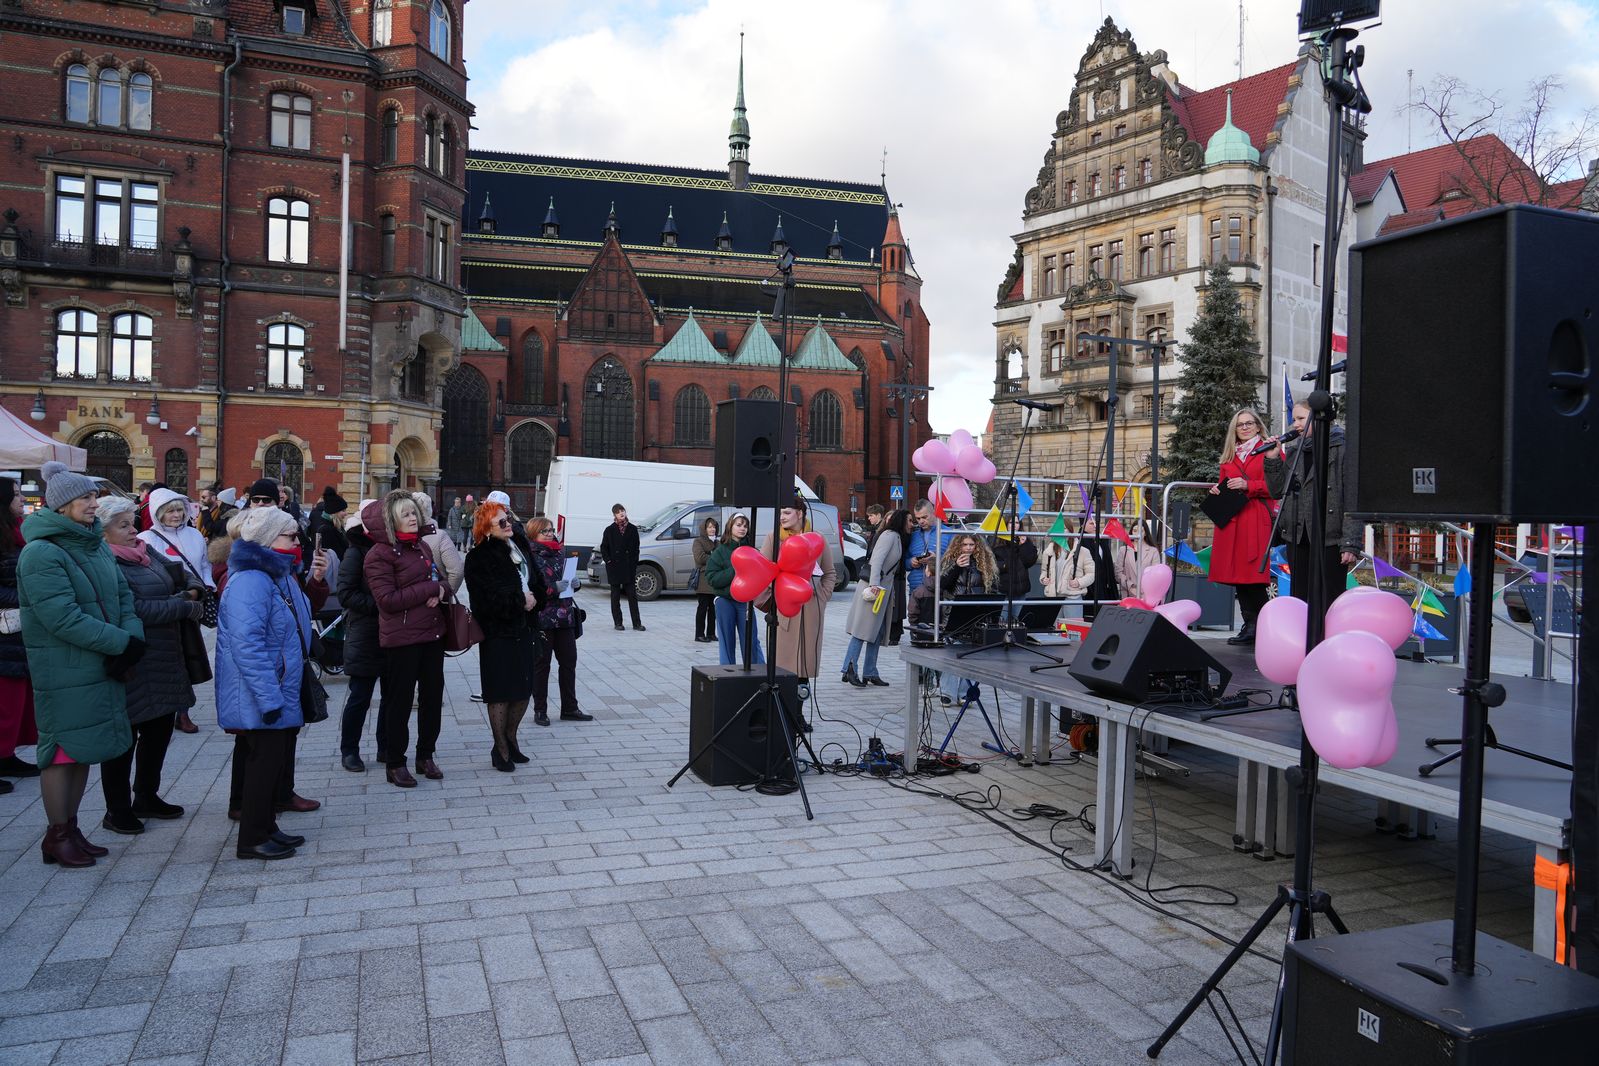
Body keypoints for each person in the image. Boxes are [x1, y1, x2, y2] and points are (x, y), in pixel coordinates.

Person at [17, 461, 144, 867]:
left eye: (93, 496)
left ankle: (71, 829)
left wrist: (131, 638)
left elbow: (123, 598)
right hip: (65, 668)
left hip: (101, 663)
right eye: (85, 498)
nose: (93, 503)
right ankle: (57, 834)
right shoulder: (41, 553)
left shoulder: (94, 545)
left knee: (85, 747)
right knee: (62, 751)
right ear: (61, 505)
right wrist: (121, 642)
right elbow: (62, 618)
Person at [98, 496, 204, 834]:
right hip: (133, 659)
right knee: (124, 739)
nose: (133, 530)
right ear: (103, 532)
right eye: (123, 526)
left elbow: (186, 576)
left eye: (133, 523)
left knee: (159, 731)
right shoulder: (105, 562)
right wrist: (184, 605)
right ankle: (117, 810)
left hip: (165, 657)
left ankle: (146, 795)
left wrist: (188, 593)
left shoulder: (145, 551)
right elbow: (137, 609)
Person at [215, 506, 314, 860]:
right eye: (290, 536)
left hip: (280, 684)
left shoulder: (278, 573)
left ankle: (268, 826)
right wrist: (269, 697)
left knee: (274, 763)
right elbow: (247, 645)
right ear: (268, 539)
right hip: (262, 690)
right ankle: (252, 837)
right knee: (262, 763)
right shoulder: (251, 580)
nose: (297, 541)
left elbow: (298, 620)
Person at [362, 492, 450, 787]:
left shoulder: (422, 545)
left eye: (414, 513)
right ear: (391, 520)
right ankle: (395, 762)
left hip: (432, 633)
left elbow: (440, 580)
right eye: (405, 514)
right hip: (402, 639)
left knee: (432, 698)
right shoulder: (379, 554)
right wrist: (430, 590)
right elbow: (387, 600)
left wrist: (442, 589)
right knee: (399, 702)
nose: (413, 518)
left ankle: (426, 755)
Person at [464, 502, 547, 770]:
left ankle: (511, 739)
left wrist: (537, 597)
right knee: (501, 691)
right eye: (501, 521)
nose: (508, 523)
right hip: (498, 633)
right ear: (487, 528)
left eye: (508, 518)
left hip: (526, 628)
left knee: (524, 689)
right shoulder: (478, 557)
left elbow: (536, 579)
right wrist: (519, 602)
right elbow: (484, 602)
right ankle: (500, 749)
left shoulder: (519, 546)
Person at [1262, 402, 1362, 605]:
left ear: (1319, 418)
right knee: (1300, 598)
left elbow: (1353, 499)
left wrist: (1350, 543)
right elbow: (1278, 491)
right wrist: (1272, 459)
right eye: (1294, 419)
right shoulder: (1295, 451)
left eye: (1301, 418)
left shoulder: (1343, 449)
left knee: (1329, 598)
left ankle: (1326, 626)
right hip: (1298, 536)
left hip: (1330, 538)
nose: (1295, 424)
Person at [139, 486, 214, 734]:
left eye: (179, 510)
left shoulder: (194, 535)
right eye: (170, 511)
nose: (176, 515)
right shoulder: (147, 539)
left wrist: (207, 585)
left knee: (189, 655)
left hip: (193, 602)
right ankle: (174, 711)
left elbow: (203, 565)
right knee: (174, 657)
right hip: (166, 606)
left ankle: (183, 710)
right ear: (158, 513)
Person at [1207, 407, 1275, 645]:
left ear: (1258, 426)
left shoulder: (1269, 450)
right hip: (1233, 521)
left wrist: (1249, 486)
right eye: (1240, 424)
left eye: (1249, 423)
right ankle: (1251, 625)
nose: (1245, 427)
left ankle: (1265, 626)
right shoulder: (1229, 456)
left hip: (1255, 519)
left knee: (1253, 576)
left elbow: (1277, 486)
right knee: (1239, 577)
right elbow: (1224, 484)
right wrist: (1217, 490)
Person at [761, 497, 838, 683]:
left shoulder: (817, 539)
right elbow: (763, 571)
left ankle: (801, 700)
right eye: (780, 513)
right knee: (783, 668)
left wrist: (822, 597)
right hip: (784, 610)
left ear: (800, 513)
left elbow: (830, 573)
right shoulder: (774, 537)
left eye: (787, 512)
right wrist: (777, 594)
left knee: (804, 666)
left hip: (811, 609)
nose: (782, 517)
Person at [526, 516, 590, 724]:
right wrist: (554, 588)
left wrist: (575, 584)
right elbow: (531, 588)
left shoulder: (560, 553)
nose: (549, 534)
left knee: (569, 662)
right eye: (544, 531)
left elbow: (568, 583)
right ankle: (540, 710)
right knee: (541, 666)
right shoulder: (529, 556)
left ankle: (570, 708)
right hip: (542, 619)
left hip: (565, 617)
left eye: (551, 530)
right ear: (533, 533)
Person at [336, 501, 383, 773]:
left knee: (391, 695)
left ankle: (386, 746)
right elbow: (345, 593)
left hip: (393, 632)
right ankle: (350, 750)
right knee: (360, 696)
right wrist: (381, 605)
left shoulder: (392, 546)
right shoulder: (356, 551)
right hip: (364, 632)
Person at [0, 477, 39, 788]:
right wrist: (28, 597)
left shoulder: (16, 531)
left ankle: (6, 755)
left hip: (17, 633)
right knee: (4, 701)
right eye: (15, 495)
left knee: (14, 701)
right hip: (5, 629)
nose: (22, 499)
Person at [841, 508, 907, 686]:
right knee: (862, 629)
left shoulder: (896, 537)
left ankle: (870, 671)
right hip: (874, 589)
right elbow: (876, 560)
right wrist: (874, 586)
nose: (911, 524)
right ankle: (849, 667)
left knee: (877, 631)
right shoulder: (889, 536)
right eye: (909, 520)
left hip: (882, 589)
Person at [937, 532, 998, 703]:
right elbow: (942, 584)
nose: (968, 548)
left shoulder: (985, 563)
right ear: (958, 545)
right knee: (951, 652)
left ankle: (964, 692)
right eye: (965, 544)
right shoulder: (949, 561)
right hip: (954, 611)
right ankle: (947, 693)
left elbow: (992, 589)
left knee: (970, 654)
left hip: (976, 613)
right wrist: (956, 567)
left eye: (971, 545)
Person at [705, 512, 764, 666]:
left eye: (745, 526)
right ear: (730, 526)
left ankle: (757, 671)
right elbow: (711, 578)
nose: (742, 528)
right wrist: (734, 570)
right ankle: (727, 671)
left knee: (751, 639)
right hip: (725, 600)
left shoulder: (751, 550)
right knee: (726, 640)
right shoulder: (720, 551)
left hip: (745, 602)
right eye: (738, 525)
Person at [1040, 521, 1097, 619]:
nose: (1062, 531)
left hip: (1072, 597)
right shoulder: (1048, 551)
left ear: (1070, 531)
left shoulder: (1083, 551)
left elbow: (1092, 573)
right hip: (1053, 597)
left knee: (1072, 627)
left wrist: (1079, 582)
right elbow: (1044, 571)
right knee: (1053, 627)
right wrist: (1043, 579)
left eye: (1064, 528)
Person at [600, 503, 643, 631]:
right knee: (615, 596)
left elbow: (636, 548)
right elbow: (604, 547)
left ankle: (637, 623)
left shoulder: (632, 529)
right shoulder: (609, 530)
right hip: (614, 567)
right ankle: (618, 622)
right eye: (618, 512)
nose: (621, 513)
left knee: (632, 596)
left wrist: (634, 563)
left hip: (628, 567)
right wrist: (608, 561)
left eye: (622, 510)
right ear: (615, 515)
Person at [413, 492, 464, 594]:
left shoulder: (397, 537)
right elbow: (457, 571)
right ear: (430, 510)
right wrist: (445, 593)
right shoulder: (440, 536)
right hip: (436, 595)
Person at [1112, 520, 1165, 602]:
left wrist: (1143, 591)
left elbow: (1155, 575)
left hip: (1147, 595)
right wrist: (1131, 587)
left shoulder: (1153, 551)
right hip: (1128, 594)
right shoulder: (1123, 550)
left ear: (1146, 533)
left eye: (1141, 531)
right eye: (1135, 530)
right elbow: (1118, 573)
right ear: (1131, 532)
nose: (1137, 534)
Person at [691, 515, 719, 644]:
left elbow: (722, 557)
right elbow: (700, 558)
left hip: (715, 579)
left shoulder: (718, 542)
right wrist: (714, 557)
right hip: (703, 579)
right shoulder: (698, 541)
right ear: (704, 529)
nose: (712, 529)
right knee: (703, 607)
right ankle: (699, 634)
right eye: (709, 527)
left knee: (713, 608)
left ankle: (711, 633)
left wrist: (711, 556)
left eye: (714, 527)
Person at [309, 487, 350, 561]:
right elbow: (335, 556)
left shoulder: (336, 526)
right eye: (343, 511)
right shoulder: (327, 530)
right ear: (334, 512)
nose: (346, 513)